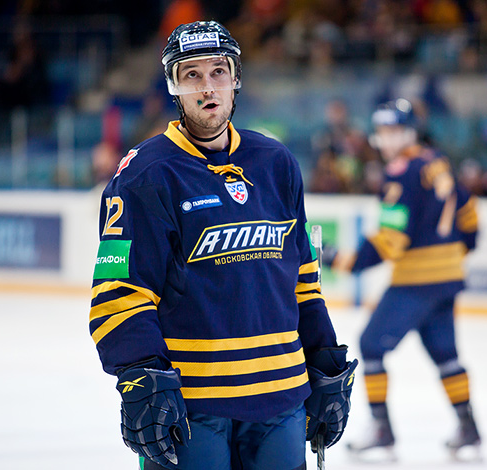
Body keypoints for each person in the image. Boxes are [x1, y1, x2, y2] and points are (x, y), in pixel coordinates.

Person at [88, 21, 357, 470]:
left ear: (235, 79)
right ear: (174, 86)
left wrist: (323, 356)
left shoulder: (276, 163)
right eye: (192, 74)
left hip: (282, 399)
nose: (207, 87)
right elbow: (118, 291)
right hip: (193, 406)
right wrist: (140, 374)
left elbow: (303, 281)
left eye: (218, 72)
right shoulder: (145, 175)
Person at [330, 98, 481, 459]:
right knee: (445, 354)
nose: (387, 139)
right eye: (383, 131)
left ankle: (381, 430)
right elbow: (469, 213)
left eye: (394, 131)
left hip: (417, 280)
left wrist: (344, 260)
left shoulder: (400, 172)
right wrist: (458, 252)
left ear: (410, 133)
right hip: (448, 278)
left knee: (371, 345)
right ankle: (469, 429)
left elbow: (391, 241)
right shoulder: (437, 161)